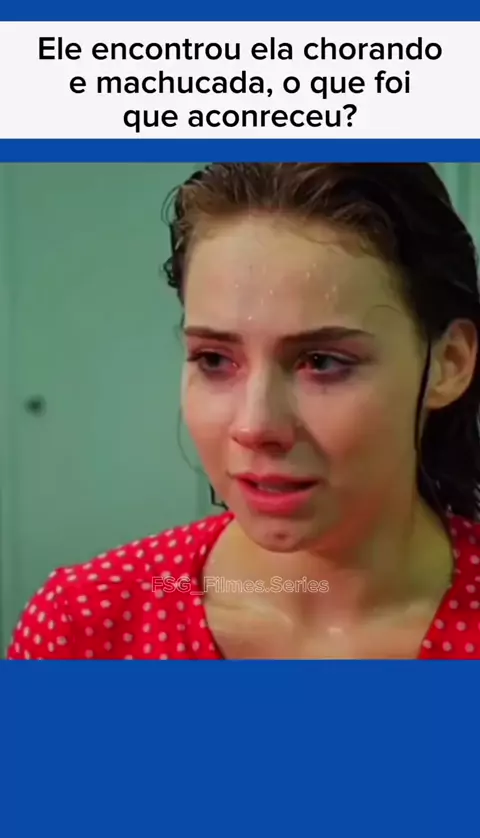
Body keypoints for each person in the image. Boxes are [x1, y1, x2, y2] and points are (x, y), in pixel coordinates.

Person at [7, 162, 480, 660]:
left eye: (322, 362)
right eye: (214, 360)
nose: (255, 426)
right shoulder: (91, 623)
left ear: (448, 364)